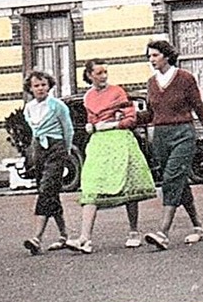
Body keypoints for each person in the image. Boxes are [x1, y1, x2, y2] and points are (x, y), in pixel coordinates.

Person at [137, 40, 203, 250]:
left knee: (171, 178)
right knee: (178, 181)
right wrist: (129, 118)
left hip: (183, 133)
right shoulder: (151, 82)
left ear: (166, 56)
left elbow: (198, 106)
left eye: (155, 55)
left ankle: (163, 232)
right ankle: (199, 226)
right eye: (149, 56)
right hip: (161, 136)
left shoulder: (184, 78)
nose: (151, 60)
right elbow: (152, 113)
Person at [67, 60, 155, 254]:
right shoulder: (88, 96)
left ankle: (134, 232)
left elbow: (130, 118)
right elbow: (92, 119)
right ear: (89, 75)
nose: (104, 76)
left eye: (105, 72)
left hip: (120, 140)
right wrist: (91, 126)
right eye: (99, 73)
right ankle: (84, 238)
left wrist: (112, 124)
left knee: (127, 184)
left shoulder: (117, 92)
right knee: (91, 185)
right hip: (99, 143)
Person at [22, 70, 74, 254]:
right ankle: (64, 235)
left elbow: (68, 129)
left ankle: (37, 238)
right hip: (39, 150)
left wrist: (66, 152)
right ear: (30, 88)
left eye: (43, 84)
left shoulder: (58, 105)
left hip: (56, 148)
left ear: (49, 86)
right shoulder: (28, 108)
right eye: (36, 85)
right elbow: (34, 131)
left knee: (46, 190)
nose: (40, 88)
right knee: (50, 193)